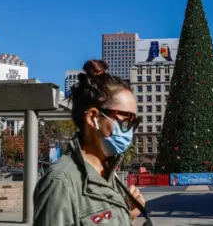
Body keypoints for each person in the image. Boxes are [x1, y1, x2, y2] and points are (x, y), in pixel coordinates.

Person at [33, 60, 146, 226]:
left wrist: (127, 215)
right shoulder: (60, 181)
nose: (130, 129)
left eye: (134, 122)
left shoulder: (108, 171)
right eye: (126, 120)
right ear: (93, 118)